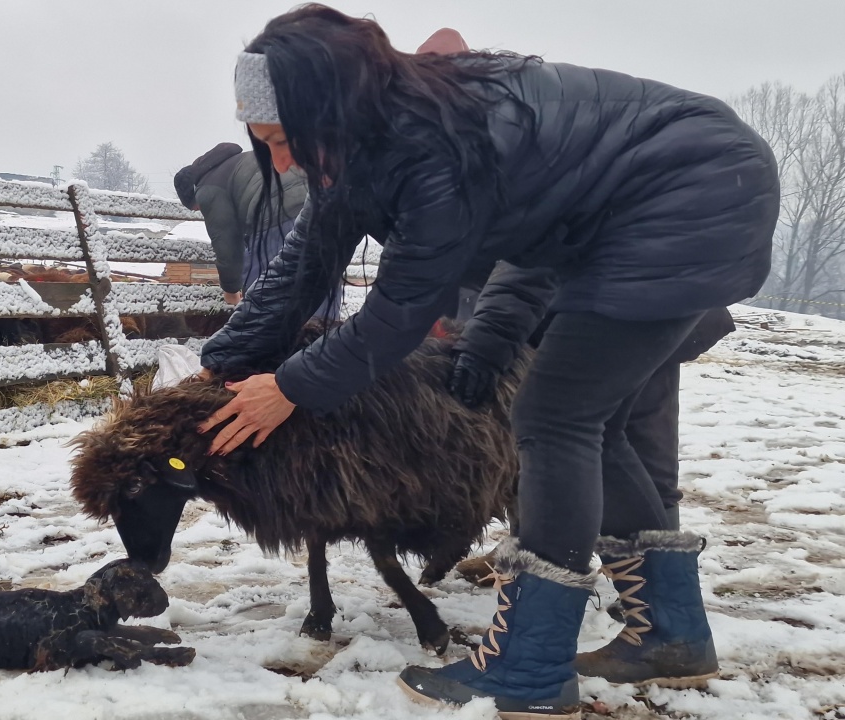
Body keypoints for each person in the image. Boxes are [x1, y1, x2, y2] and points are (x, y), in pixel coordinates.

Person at [195, 6, 777, 717]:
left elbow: (400, 313)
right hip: (665, 197)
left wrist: (289, 387)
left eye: (286, 139)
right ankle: (674, 635)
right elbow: (302, 268)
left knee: (555, 418)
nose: (279, 162)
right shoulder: (365, 146)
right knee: (596, 424)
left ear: (331, 108)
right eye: (262, 143)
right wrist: (218, 362)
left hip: (691, 192)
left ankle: (529, 669)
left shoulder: (430, 149)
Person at [449, 263, 737, 585]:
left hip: (630, 302)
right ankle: (531, 555)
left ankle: (654, 596)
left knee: (634, 441)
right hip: (587, 299)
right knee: (553, 440)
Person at [175, 143, 340, 317]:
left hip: (277, 219)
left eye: (199, 209)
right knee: (321, 286)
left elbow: (227, 244)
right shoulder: (240, 162)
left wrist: (231, 289)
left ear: (194, 195)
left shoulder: (207, 188)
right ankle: (323, 338)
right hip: (321, 208)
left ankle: (282, 342)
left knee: (263, 298)